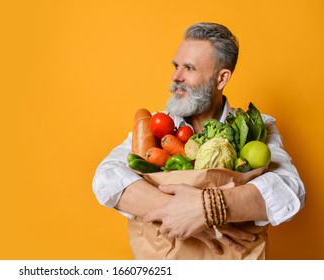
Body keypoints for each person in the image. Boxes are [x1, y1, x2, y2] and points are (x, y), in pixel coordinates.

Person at [92, 22, 306, 257]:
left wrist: (208, 208)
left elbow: (290, 190)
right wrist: (180, 211)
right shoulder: (156, 126)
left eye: (189, 68)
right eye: (176, 66)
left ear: (221, 79)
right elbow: (106, 178)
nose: (176, 76)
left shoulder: (255, 126)